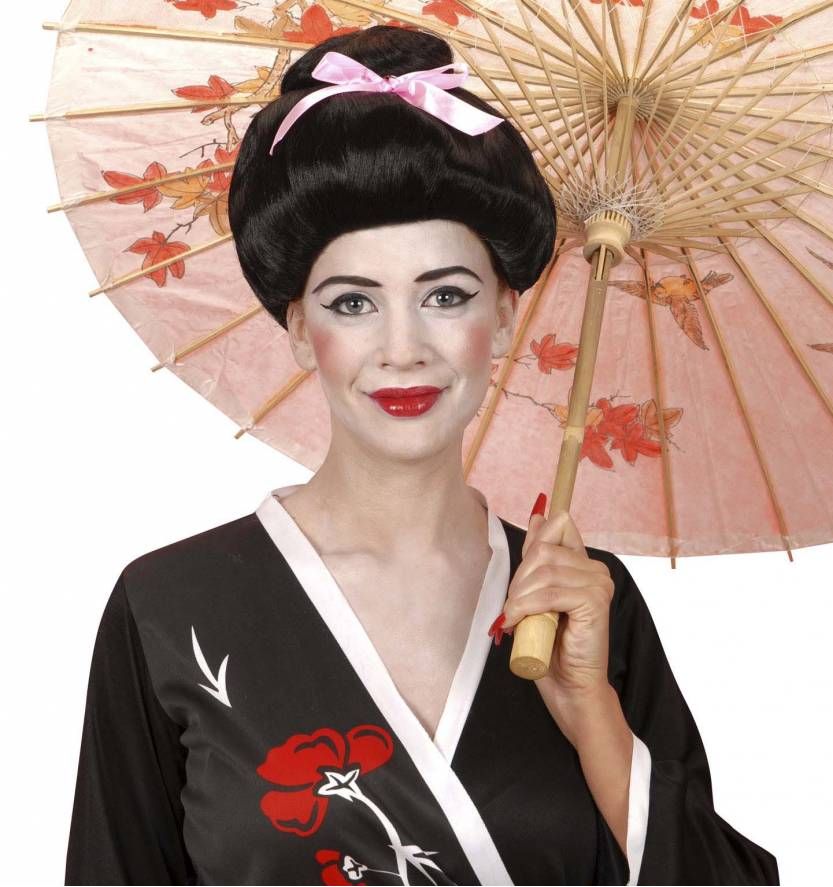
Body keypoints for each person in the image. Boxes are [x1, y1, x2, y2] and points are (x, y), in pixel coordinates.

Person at [64, 24, 779, 887]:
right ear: (299, 328)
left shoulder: (582, 605)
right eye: (351, 302)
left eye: (445, 295)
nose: (403, 348)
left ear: (504, 315)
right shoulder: (169, 606)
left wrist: (593, 714)